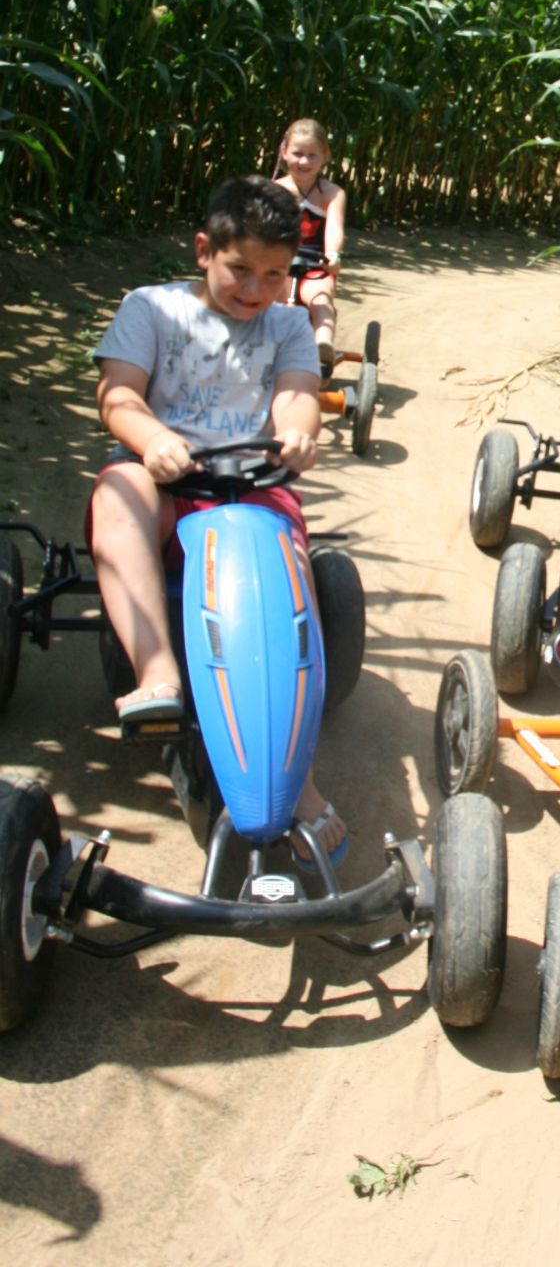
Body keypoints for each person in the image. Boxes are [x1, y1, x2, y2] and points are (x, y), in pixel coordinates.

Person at [88, 175, 347, 865]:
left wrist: (296, 433)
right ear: (204, 250)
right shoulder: (152, 309)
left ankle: (301, 785)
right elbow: (116, 395)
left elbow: (298, 397)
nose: (256, 290)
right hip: (163, 476)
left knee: (281, 573)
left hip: (250, 482)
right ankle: (158, 674)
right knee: (118, 495)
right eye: (240, 270)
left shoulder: (288, 324)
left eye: (273, 274)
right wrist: (149, 438)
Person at [273, 117, 347, 369]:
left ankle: (322, 347)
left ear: (325, 156)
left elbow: (334, 227)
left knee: (320, 298)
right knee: (270, 298)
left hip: (317, 262)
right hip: (280, 260)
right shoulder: (275, 190)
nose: (304, 161)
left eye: (312, 155)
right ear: (284, 153)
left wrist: (332, 255)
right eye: (297, 153)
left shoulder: (332, 193)